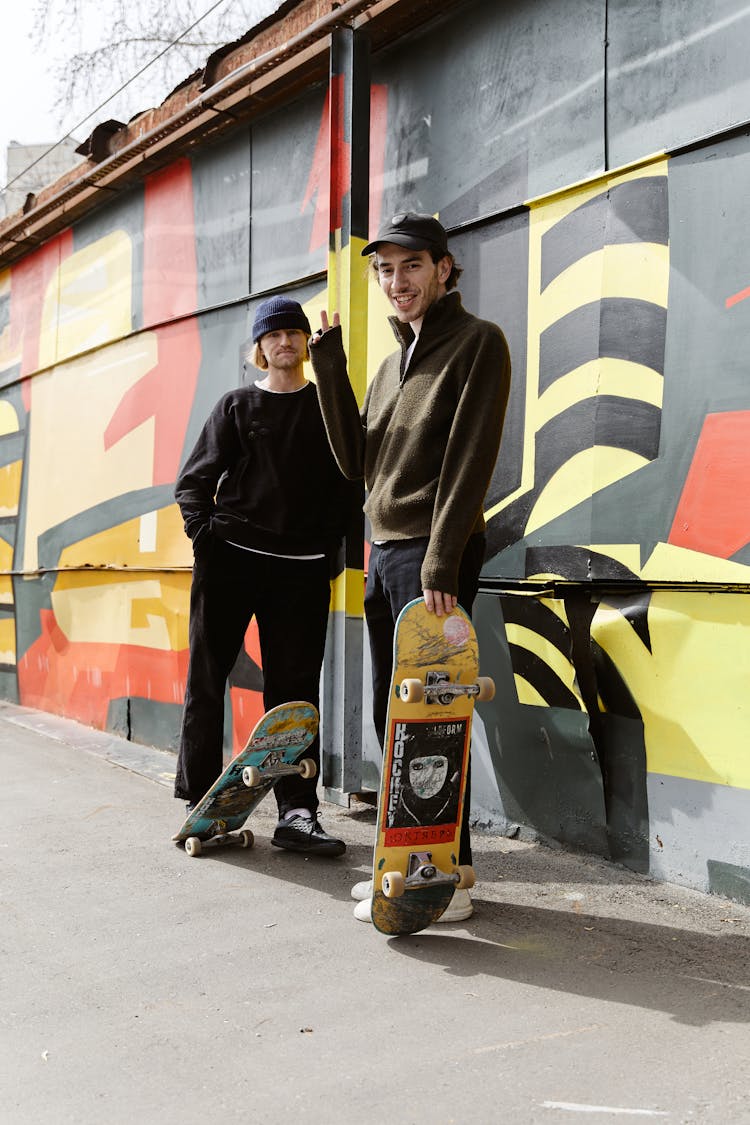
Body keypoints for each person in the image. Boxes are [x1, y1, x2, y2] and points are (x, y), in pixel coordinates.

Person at [309, 211, 511, 917]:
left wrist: (442, 561)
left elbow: (470, 459)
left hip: (433, 553)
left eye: (413, 266)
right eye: (386, 270)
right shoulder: (395, 363)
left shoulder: (477, 344)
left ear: (444, 268)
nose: (398, 281)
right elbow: (357, 465)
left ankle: (442, 876)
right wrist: (329, 367)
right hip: (387, 549)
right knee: (396, 718)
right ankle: (417, 858)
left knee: (433, 719)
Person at [174, 295, 358, 857]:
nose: (284, 341)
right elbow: (193, 483)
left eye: (294, 333)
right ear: (259, 348)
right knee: (208, 678)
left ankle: (297, 813)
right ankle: (203, 803)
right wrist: (209, 543)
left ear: (306, 342)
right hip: (231, 561)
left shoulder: (327, 407)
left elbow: (355, 476)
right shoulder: (237, 406)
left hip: (300, 573)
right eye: (273, 335)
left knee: (294, 696)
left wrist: (331, 552)